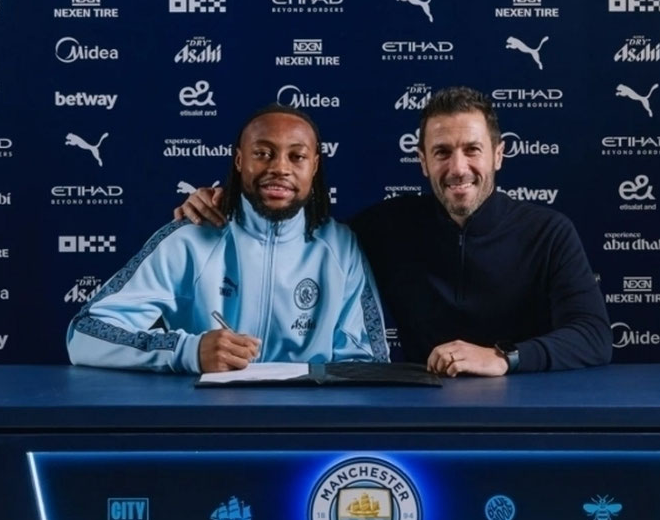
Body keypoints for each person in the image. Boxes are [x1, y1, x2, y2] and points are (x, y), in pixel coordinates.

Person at [174, 87, 612, 377]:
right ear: (422, 161)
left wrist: (503, 358)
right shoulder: (385, 228)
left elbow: (593, 336)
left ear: (498, 155)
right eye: (442, 152)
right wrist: (224, 202)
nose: (458, 168)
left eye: (472, 150)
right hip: (426, 411)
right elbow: (295, 228)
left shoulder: (548, 232)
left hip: (528, 410)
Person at [68, 104, 388, 374]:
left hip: (306, 424)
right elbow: (85, 335)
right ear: (239, 161)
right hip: (207, 421)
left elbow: (369, 364)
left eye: (297, 156)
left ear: (315, 166)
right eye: (262, 153)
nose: (280, 167)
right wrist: (186, 351)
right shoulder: (190, 239)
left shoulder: (340, 247)